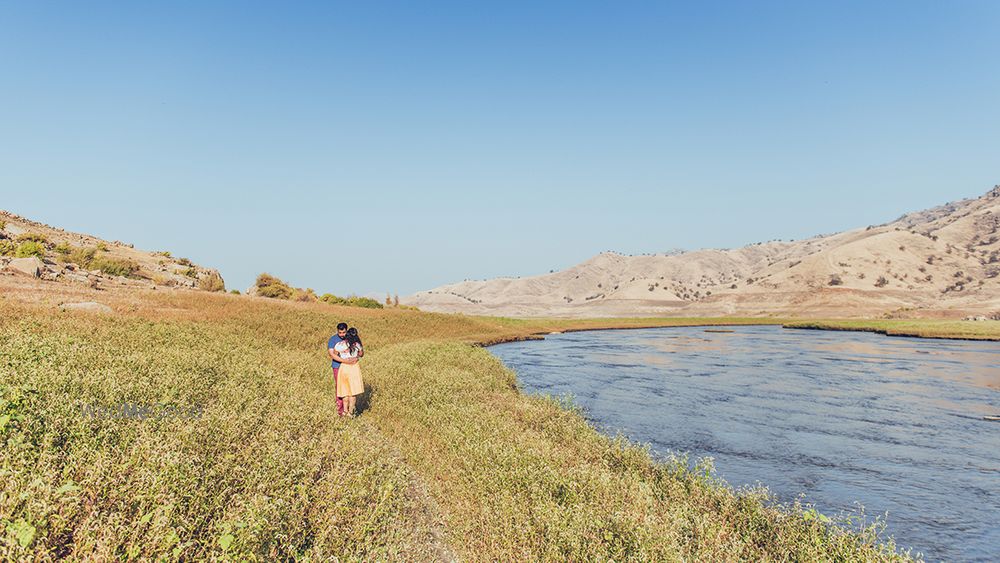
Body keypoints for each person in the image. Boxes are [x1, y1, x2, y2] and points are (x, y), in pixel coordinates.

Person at [334, 327, 365, 417]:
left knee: (345, 391)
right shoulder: (357, 345)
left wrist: (344, 356)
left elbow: (335, 354)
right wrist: (355, 356)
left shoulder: (340, 344)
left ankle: (344, 411)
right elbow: (361, 354)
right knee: (353, 392)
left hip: (344, 367)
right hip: (354, 368)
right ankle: (350, 413)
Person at [327, 323, 356, 416]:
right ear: (337, 331)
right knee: (340, 388)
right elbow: (332, 355)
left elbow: (357, 351)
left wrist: (355, 358)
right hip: (337, 366)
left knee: (350, 388)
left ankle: (349, 410)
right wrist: (345, 361)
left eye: (344, 332)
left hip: (351, 368)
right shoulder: (333, 339)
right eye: (340, 332)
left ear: (346, 330)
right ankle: (340, 410)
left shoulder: (351, 338)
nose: (342, 334)